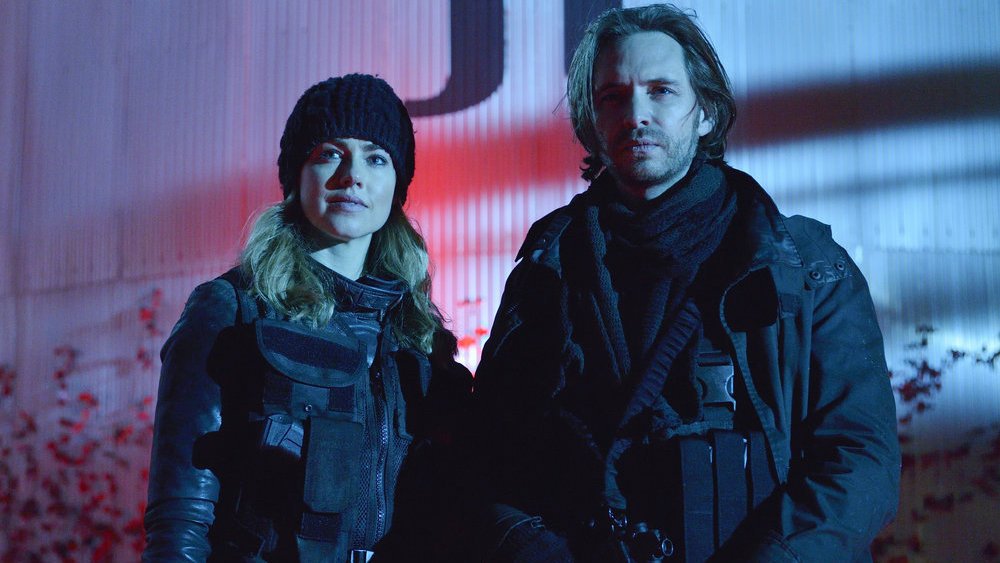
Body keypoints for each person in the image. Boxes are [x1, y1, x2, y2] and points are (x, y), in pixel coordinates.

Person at [472, 5, 899, 562]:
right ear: (593, 123)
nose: (636, 115)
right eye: (613, 98)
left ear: (705, 113)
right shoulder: (547, 270)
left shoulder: (801, 267)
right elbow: (490, 456)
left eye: (662, 91)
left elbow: (860, 459)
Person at [142, 74, 471, 562]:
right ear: (298, 175)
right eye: (329, 154)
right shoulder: (232, 309)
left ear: (396, 185)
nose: (352, 176)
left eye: (376, 158)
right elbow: (180, 522)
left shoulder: (419, 337)